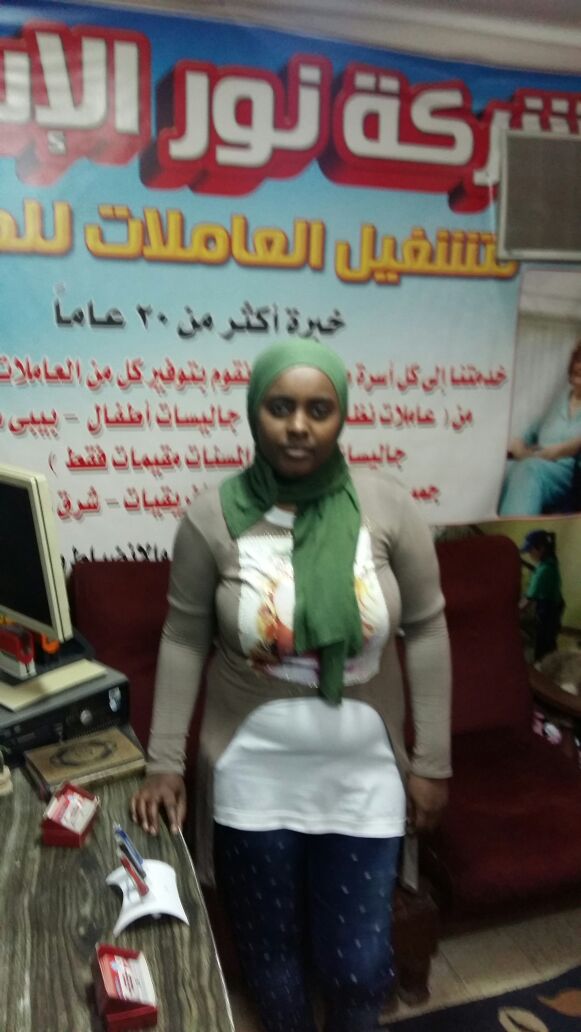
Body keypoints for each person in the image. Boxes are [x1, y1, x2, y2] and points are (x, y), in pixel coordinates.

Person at [130, 339, 452, 1032]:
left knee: (357, 965)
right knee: (271, 957)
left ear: (341, 415)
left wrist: (432, 761)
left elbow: (426, 630)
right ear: (255, 413)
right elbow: (182, 638)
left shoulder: (388, 508)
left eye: (317, 409)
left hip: (364, 774)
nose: (298, 426)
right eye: (280, 408)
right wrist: (163, 761)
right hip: (253, 776)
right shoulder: (212, 516)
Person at [499, 341, 581, 516]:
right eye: (578, 362)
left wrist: (554, 452)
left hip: (567, 474)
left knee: (529, 470)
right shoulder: (558, 401)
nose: (579, 370)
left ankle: (515, 532)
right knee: (501, 469)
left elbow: (569, 448)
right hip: (536, 460)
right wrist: (519, 445)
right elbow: (529, 434)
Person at [520, 529, 565, 662]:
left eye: (530, 550)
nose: (529, 554)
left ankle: (543, 667)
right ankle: (551, 663)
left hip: (548, 611)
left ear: (541, 548)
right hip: (555, 607)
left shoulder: (543, 570)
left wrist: (512, 614)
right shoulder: (551, 563)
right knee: (549, 642)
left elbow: (528, 600)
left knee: (543, 646)